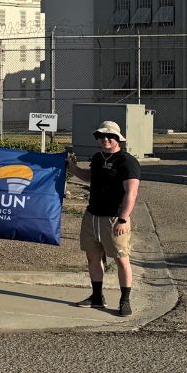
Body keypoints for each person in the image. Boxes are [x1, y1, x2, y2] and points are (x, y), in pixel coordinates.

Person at [69, 121, 140, 317]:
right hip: (92, 216)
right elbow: (91, 177)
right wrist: (72, 168)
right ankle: (97, 296)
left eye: (110, 136)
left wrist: (123, 219)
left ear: (118, 139)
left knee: (121, 259)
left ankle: (124, 300)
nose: (105, 139)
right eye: (101, 136)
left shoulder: (127, 161)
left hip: (114, 219)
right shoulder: (98, 158)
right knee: (92, 256)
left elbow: (131, 193)